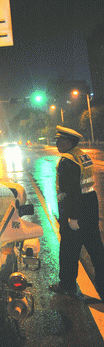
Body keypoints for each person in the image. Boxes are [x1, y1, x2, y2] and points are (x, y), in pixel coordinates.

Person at [49, 125, 104, 300]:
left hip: (75, 207)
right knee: (96, 248)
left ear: (68, 142)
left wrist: (73, 217)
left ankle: (67, 285)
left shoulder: (67, 161)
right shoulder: (82, 156)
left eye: (59, 140)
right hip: (90, 204)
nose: (57, 143)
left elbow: (72, 191)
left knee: (69, 249)